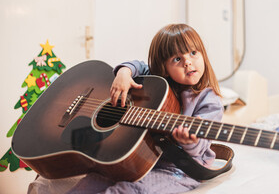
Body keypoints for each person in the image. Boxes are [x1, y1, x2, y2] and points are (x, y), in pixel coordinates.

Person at [28, 24, 224, 194]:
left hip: (179, 168)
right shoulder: (159, 83)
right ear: (163, 67)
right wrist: (124, 72)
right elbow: (139, 66)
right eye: (176, 59)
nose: (188, 62)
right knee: (88, 185)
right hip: (139, 160)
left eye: (193, 53)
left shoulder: (209, 101)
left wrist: (191, 142)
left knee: (124, 191)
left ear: (203, 54)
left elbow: (202, 145)